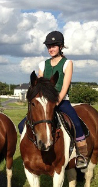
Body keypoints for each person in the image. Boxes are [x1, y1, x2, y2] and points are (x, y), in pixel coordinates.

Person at [18, 31, 88, 169]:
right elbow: (38, 86)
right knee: (22, 125)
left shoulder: (68, 63)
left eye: (54, 46)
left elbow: (65, 85)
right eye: (49, 46)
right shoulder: (43, 65)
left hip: (61, 101)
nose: (51, 49)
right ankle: (34, 148)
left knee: (77, 123)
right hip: (45, 103)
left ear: (61, 46)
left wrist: (57, 102)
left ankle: (81, 154)